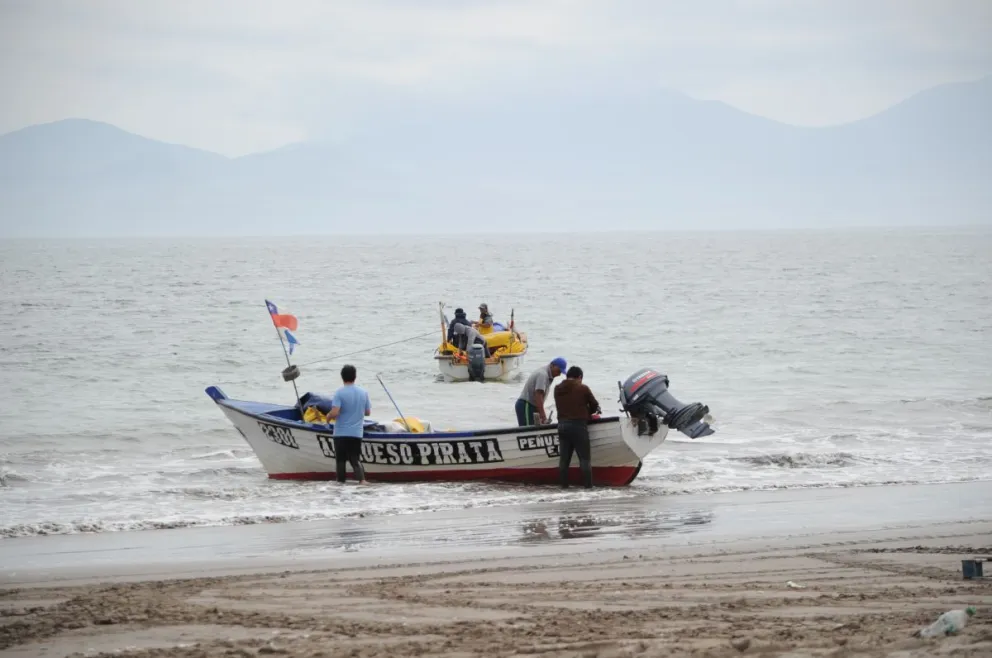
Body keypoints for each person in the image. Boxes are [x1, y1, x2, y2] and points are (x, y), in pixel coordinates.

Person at [553, 366, 601, 489]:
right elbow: (594, 406)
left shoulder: (557, 389)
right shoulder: (582, 388)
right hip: (578, 426)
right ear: (579, 377)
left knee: (564, 461)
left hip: (562, 426)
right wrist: (587, 412)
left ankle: (563, 488)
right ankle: (588, 488)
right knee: (584, 459)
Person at [327, 364, 370, 485]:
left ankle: (340, 484)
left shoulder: (339, 393)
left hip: (341, 432)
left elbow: (335, 412)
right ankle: (362, 481)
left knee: (340, 461)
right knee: (355, 459)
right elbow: (367, 412)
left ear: (342, 377)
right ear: (355, 377)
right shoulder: (363, 392)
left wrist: (328, 417)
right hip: (356, 433)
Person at [515, 357, 567, 426]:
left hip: (532, 406)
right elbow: (538, 396)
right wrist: (543, 417)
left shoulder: (548, 375)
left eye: (560, 372)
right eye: (558, 371)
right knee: (528, 432)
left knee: (533, 432)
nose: (559, 374)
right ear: (552, 365)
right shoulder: (542, 374)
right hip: (526, 405)